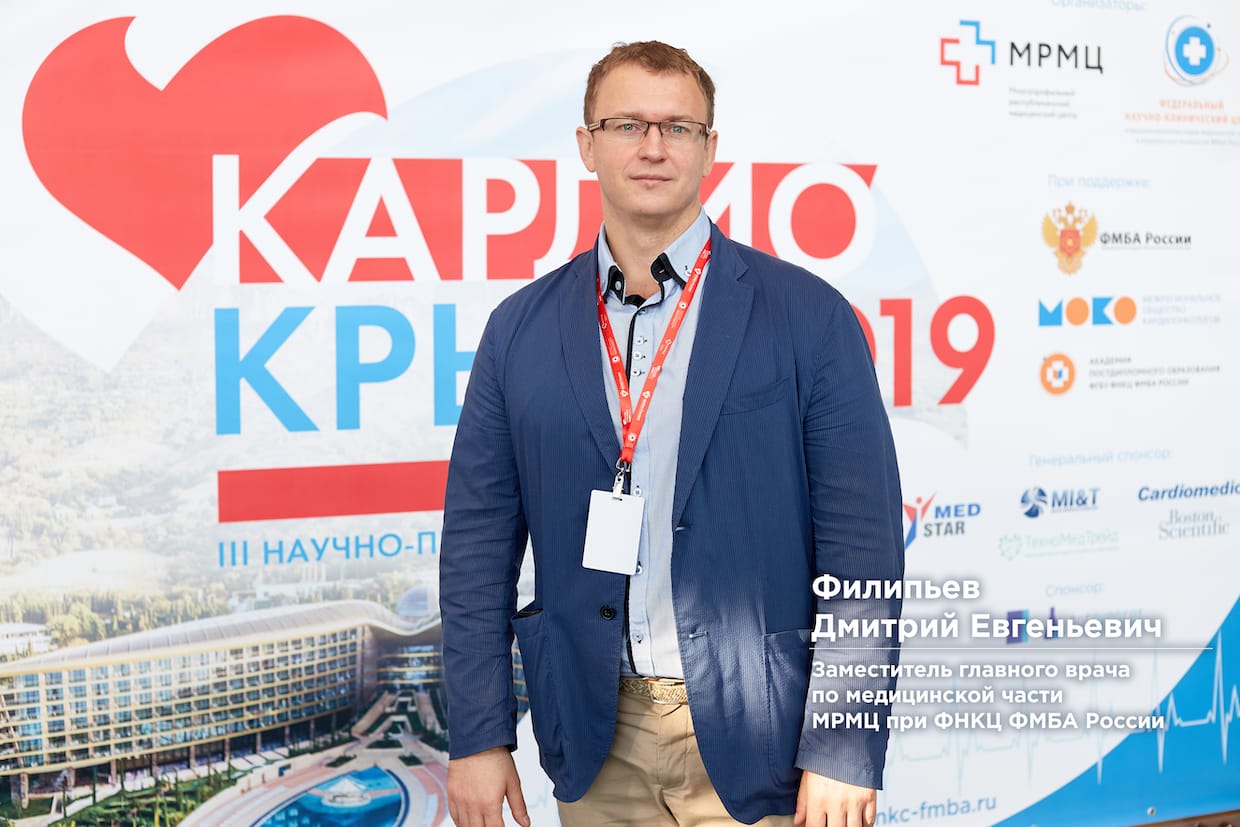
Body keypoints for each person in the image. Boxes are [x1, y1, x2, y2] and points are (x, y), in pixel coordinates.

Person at [440, 40, 904, 827]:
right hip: (593, 738)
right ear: (587, 145)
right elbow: (477, 548)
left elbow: (862, 552)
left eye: (677, 128)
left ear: (709, 148)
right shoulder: (517, 330)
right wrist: (478, 736)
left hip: (763, 737)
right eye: (627, 124)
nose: (653, 146)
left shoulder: (810, 317)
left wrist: (842, 742)